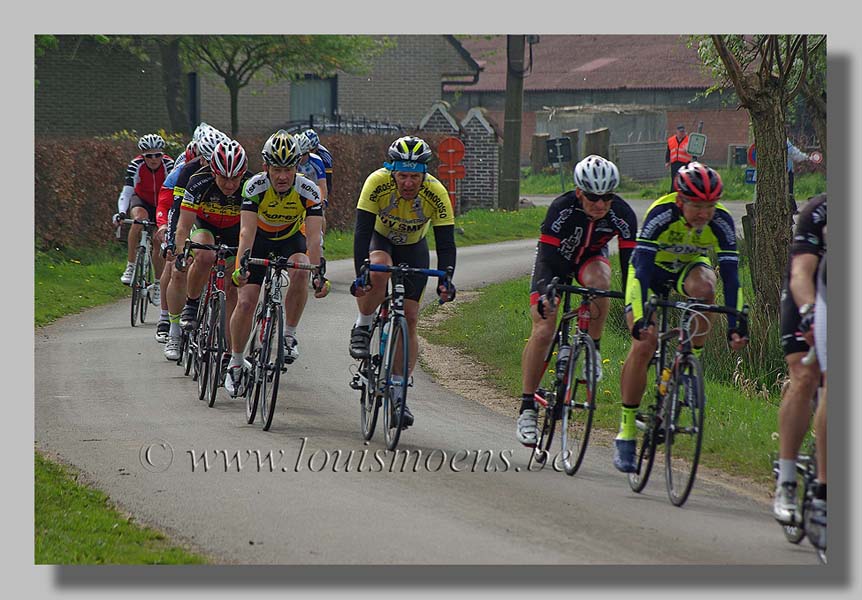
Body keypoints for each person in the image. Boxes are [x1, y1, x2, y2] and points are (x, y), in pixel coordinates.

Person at [613, 162, 748, 473]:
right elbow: (642, 268)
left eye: (709, 206)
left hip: (686, 268)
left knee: (707, 286)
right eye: (697, 206)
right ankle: (627, 432)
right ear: (680, 201)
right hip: (650, 271)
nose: (704, 214)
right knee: (644, 343)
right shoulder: (661, 215)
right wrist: (642, 315)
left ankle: (690, 360)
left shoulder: (722, 222)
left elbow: (731, 276)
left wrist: (736, 322)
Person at [516, 155, 637, 447]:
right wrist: (548, 291)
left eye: (607, 197)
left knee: (602, 283)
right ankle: (527, 407)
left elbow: (631, 264)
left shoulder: (622, 214)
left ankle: (593, 348)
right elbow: (546, 257)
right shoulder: (561, 209)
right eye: (594, 197)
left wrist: (634, 299)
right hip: (554, 265)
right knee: (544, 329)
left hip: (590, 261)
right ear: (580, 192)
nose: (600, 205)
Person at [348, 135, 457, 429]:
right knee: (380, 269)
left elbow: (446, 242)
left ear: (425, 175)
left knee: (409, 317)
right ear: (392, 172)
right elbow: (361, 232)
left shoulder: (436, 192)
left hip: (414, 245)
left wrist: (446, 278)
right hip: (381, 238)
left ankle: (399, 391)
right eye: (403, 176)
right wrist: (362, 271)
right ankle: (363, 324)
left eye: (415, 177)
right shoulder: (376, 183)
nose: (409, 183)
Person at [225, 130, 331, 397]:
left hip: (289, 238)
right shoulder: (254, 187)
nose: (283, 176)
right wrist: (241, 266)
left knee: (301, 270)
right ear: (265, 168)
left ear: (297, 167)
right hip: (259, 239)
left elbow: (315, 238)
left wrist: (318, 273)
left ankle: (289, 335)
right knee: (246, 301)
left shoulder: (308, 190)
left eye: (288, 169)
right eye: (276, 169)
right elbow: (246, 233)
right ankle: (236, 362)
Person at [167, 140, 252, 368]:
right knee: (204, 256)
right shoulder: (198, 181)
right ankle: (192, 304)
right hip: (205, 227)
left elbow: (253, 228)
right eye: (223, 177)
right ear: (213, 171)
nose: (230, 183)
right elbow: (183, 226)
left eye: (235, 178)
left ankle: (229, 352)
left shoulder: (251, 185)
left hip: (236, 233)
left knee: (234, 287)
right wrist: (181, 250)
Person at [774, 194, 826, 529]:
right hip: (809, 297)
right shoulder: (819, 211)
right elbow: (801, 274)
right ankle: (787, 480)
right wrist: (808, 315)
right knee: (805, 375)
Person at [160, 127, 230, 359]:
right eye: (207, 161)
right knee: (177, 268)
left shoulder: (230, 173)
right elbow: (177, 211)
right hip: (193, 219)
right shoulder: (187, 172)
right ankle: (174, 330)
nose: (212, 168)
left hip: (222, 220)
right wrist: (173, 244)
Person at [113, 134, 174, 289]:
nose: (154, 159)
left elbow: (174, 192)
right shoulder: (136, 165)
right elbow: (126, 193)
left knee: (157, 240)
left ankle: (158, 283)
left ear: (162, 154)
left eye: (157, 155)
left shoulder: (169, 164)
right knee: (139, 220)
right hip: (142, 200)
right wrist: (121, 213)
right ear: (143, 155)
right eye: (149, 156)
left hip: (162, 203)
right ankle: (131, 265)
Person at [303, 129, 333, 193]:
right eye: (306, 151)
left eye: (311, 150)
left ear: (316, 147)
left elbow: (327, 182)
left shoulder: (325, 157)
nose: (309, 154)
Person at [665, 124, 692, 194]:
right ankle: (673, 193)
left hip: (685, 163)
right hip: (674, 163)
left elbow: (694, 151)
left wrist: (688, 150)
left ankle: (684, 192)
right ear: (677, 132)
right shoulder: (671, 140)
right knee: (674, 179)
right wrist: (667, 161)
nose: (682, 133)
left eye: (683, 132)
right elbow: (668, 151)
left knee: (684, 179)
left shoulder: (689, 140)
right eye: (680, 132)